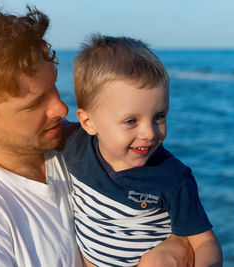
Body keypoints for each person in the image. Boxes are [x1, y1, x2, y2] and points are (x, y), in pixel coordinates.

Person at [0, 5, 194, 266]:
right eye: (34, 104)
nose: (61, 108)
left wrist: (177, 241)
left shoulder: (73, 144)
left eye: (54, 85)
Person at [58, 35, 223, 266]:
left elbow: (204, 242)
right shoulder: (74, 144)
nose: (150, 133)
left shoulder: (172, 176)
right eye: (131, 121)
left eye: (159, 116)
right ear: (88, 122)